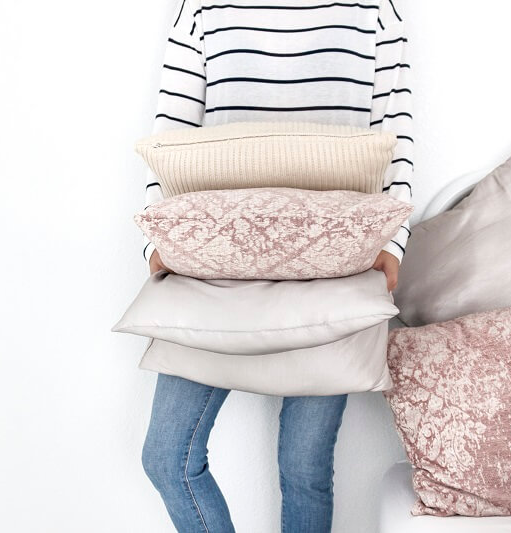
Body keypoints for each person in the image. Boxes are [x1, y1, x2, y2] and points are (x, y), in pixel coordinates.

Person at [139, 1, 413, 531]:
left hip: (336, 267)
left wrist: (393, 243)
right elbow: (166, 141)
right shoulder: (200, 8)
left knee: (304, 468)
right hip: (212, 268)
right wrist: (156, 244)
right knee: (168, 458)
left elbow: (395, 140)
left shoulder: (377, 9)